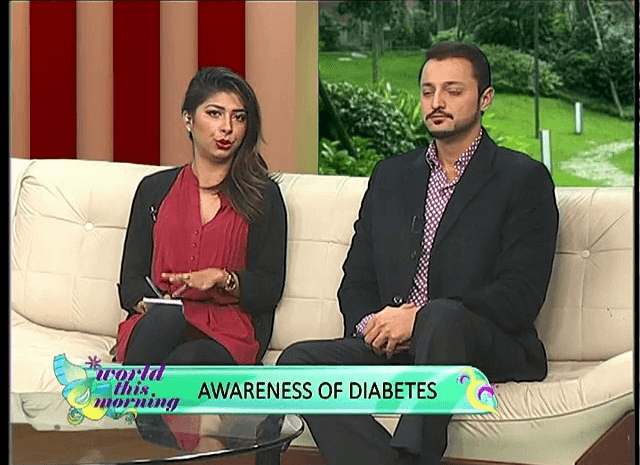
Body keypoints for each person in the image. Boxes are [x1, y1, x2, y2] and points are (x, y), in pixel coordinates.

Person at [277, 42, 559, 465]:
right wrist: (376, 326)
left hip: (481, 343)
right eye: (428, 91)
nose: (437, 102)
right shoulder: (391, 176)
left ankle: (415, 454)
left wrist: (420, 319)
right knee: (298, 362)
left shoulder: (523, 179)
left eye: (453, 90)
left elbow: (520, 295)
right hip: (397, 345)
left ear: (485, 99)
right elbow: (357, 280)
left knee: (441, 318)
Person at [115, 66, 287, 449]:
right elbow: (130, 281)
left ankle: (148, 439)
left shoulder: (264, 197)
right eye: (214, 113)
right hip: (161, 323)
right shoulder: (153, 190)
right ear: (188, 120)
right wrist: (151, 304)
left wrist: (223, 279)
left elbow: (269, 288)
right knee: (165, 323)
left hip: (226, 330)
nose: (227, 128)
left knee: (186, 362)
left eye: (238, 117)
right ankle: (151, 433)